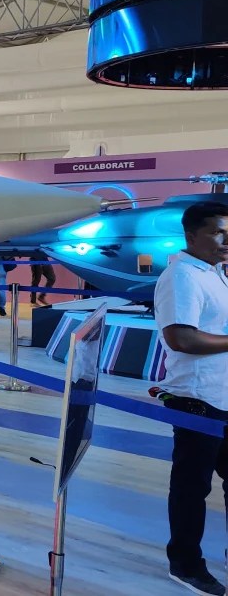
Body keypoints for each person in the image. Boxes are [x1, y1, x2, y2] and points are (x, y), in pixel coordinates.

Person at [153, 201, 228, 596]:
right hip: (198, 399)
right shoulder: (182, 276)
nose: (226, 240)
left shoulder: (214, 271)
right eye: (218, 232)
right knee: (191, 487)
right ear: (191, 235)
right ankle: (185, 564)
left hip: (223, 394)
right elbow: (181, 337)